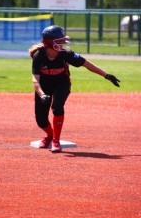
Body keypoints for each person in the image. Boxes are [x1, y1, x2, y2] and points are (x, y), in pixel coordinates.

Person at [29, 25, 120, 153]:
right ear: (49, 42)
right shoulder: (39, 56)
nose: (62, 44)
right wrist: (42, 94)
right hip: (43, 86)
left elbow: (86, 64)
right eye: (59, 41)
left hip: (62, 83)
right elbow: (35, 80)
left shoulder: (65, 54)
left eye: (62, 41)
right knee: (41, 120)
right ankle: (50, 135)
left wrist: (107, 75)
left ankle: (56, 140)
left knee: (57, 106)